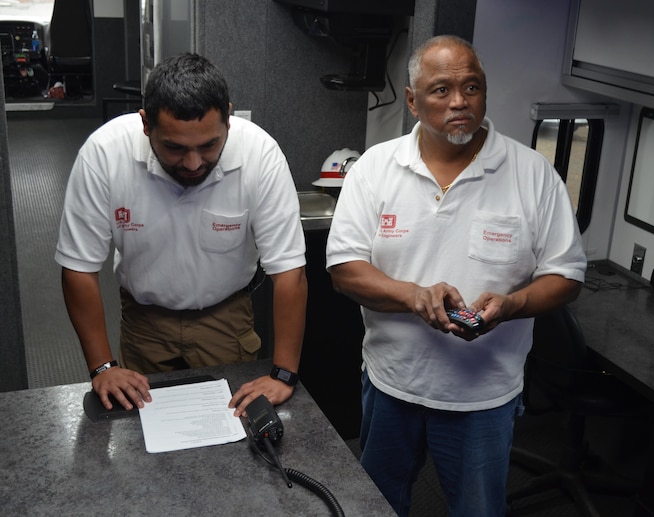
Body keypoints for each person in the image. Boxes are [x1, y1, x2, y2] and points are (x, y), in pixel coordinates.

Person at [325, 35, 587, 516]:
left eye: (472, 87)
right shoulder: (375, 170)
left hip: (484, 397)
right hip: (391, 385)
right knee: (376, 506)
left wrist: (512, 306)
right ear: (411, 100)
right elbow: (344, 271)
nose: (459, 101)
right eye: (441, 89)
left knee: (478, 511)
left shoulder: (532, 174)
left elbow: (566, 275)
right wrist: (413, 296)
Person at [55, 53, 307, 417]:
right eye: (175, 147)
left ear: (229, 119)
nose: (193, 163)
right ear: (146, 125)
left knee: (233, 434)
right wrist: (103, 367)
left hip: (226, 316)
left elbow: (289, 272)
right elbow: (78, 267)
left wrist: (284, 374)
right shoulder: (105, 154)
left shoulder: (260, 155)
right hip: (144, 320)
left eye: (208, 145)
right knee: (140, 430)